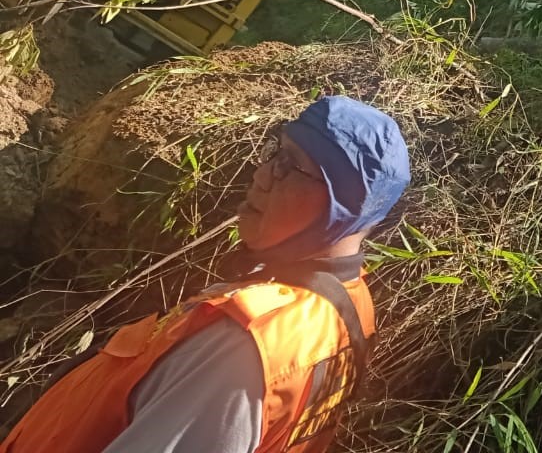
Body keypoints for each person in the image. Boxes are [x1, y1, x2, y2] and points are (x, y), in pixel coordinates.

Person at [0, 96, 411, 453]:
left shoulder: (246, 346)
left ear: (343, 207)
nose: (262, 173)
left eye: (290, 166)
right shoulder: (348, 303)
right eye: (275, 152)